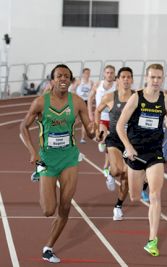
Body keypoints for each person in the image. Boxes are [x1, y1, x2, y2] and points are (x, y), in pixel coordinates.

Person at [19, 64, 95, 263]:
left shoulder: (77, 102)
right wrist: (32, 152)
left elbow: (90, 132)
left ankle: (48, 247)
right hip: (46, 158)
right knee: (48, 210)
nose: (63, 79)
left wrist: (96, 132)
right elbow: (23, 127)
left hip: (69, 157)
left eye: (67, 76)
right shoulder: (40, 103)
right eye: (59, 75)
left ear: (71, 81)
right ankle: (39, 172)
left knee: (65, 205)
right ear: (52, 80)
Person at [116, 64, 167, 256]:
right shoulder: (136, 98)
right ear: (147, 77)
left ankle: (152, 240)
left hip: (155, 151)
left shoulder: (166, 99)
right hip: (135, 152)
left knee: (155, 195)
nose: (155, 81)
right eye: (152, 77)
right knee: (135, 197)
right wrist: (128, 147)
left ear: (162, 78)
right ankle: (142, 178)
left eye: (159, 78)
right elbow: (120, 126)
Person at [95, 67, 135, 221]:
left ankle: (118, 206)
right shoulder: (110, 97)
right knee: (118, 169)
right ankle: (110, 174)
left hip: (131, 142)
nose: (126, 80)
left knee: (127, 177)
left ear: (132, 80)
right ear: (118, 80)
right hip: (114, 139)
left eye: (129, 77)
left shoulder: (137, 98)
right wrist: (98, 127)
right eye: (123, 77)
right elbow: (98, 111)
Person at [88, 65, 116, 190]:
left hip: (113, 118)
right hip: (101, 117)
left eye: (111, 73)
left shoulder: (118, 85)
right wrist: (90, 114)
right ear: (104, 74)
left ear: (114, 74)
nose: (109, 75)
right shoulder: (98, 84)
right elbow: (89, 99)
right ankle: (102, 142)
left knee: (110, 146)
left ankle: (105, 166)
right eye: (107, 72)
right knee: (103, 143)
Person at [71, 68, 94, 143]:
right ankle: (69, 132)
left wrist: (92, 98)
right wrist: (75, 97)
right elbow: (72, 89)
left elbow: (93, 92)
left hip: (86, 102)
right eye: (86, 73)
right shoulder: (79, 81)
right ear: (83, 74)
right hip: (79, 102)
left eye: (89, 73)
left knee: (85, 120)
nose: (88, 74)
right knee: (76, 120)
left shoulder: (91, 82)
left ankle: (82, 138)